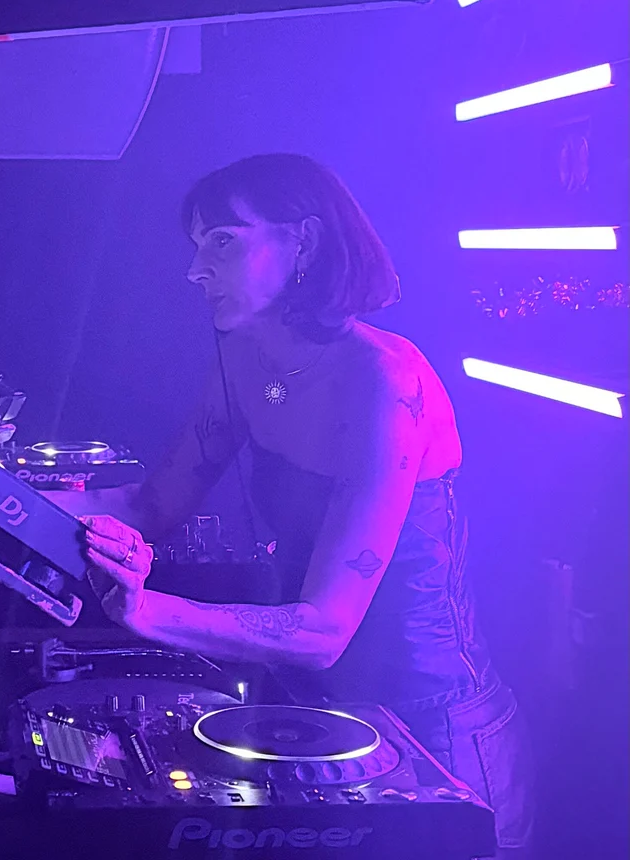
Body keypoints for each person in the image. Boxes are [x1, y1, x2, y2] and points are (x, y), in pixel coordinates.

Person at [59, 154, 532, 856]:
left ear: (303, 242)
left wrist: (146, 610)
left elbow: (321, 631)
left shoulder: (385, 379)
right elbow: (152, 504)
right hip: (321, 714)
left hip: (434, 731)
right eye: (196, 245)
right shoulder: (246, 361)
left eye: (223, 241)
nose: (195, 271)